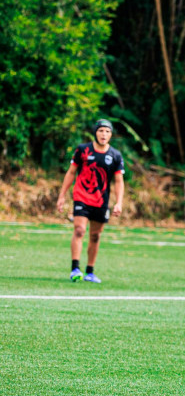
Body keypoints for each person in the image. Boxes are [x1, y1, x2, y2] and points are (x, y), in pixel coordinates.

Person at [56, 119, 124, 283]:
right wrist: (62, 195)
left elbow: (119, 181)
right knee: (79, 230)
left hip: (101, 200)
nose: (104, 134)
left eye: (107, 132)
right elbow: (71, 173)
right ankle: (75, 269)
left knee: (95, 236)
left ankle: (90, 272)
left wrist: (119, 202)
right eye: (101, 131)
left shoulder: (115, 155)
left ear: (111, 135)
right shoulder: (83, 150)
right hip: (81, 196)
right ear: (95, 132)